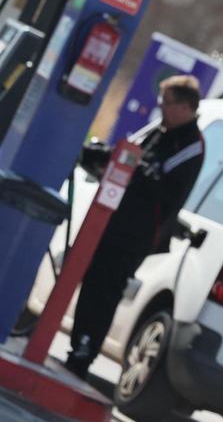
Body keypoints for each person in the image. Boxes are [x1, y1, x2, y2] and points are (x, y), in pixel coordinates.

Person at [65, 75, 205, 378]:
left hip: (135, 234)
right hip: (112, 221)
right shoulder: (161, 132)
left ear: (183, 107)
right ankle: (77, 346)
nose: (160, 108)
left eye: (166, 103)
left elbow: (165, 190)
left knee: (106, 290)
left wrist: (137, 169)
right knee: (91, 283)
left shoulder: (190, 146)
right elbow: (128, 155)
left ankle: (84, 355)